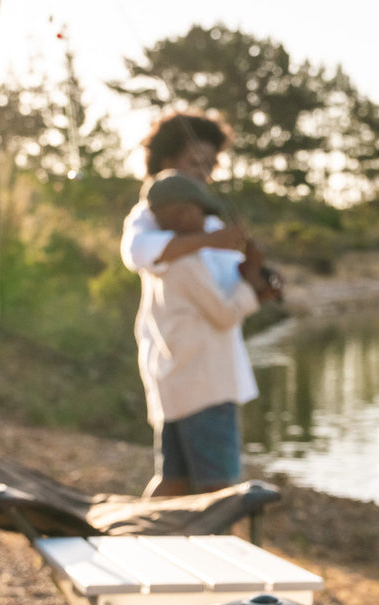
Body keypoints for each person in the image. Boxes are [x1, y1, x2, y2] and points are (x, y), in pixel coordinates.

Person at [121, 111, 275, 496]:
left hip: (190, 372)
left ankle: (144, 537)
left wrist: (255, 278)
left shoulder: (203, 223)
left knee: (174, 480)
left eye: (209, 165)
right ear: (165, 163)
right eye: (194, 163)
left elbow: (223, 288)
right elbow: (139, 252)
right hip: (197, 371)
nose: (203, 174)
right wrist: (216, 244)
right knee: (217, 488)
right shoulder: (154, 216)